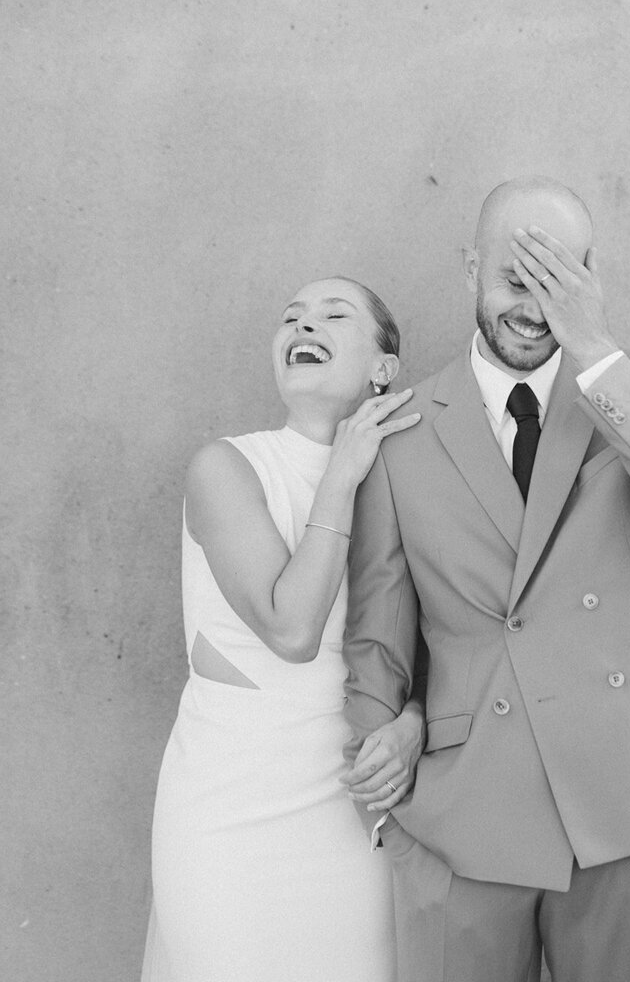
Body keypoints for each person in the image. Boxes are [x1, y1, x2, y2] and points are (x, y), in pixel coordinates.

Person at [342, 178, 630, 982]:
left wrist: (595, 351)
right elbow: (377, 636)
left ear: (591, 277)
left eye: (559, 278)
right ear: (469, 270)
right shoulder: (401, 430)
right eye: (515, 277)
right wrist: (382, 808)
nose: (534, 307)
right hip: (464, 814)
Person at [141, 276, 425, 982]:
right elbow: (292, 629)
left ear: (382, 370)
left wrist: (414, 723)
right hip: (228, 811)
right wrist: (341, 474)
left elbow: (447, 639)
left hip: (350, 808)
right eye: (291, 317)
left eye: (334, 315)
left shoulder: (410, 484)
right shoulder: (226, 466)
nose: (304, 325)